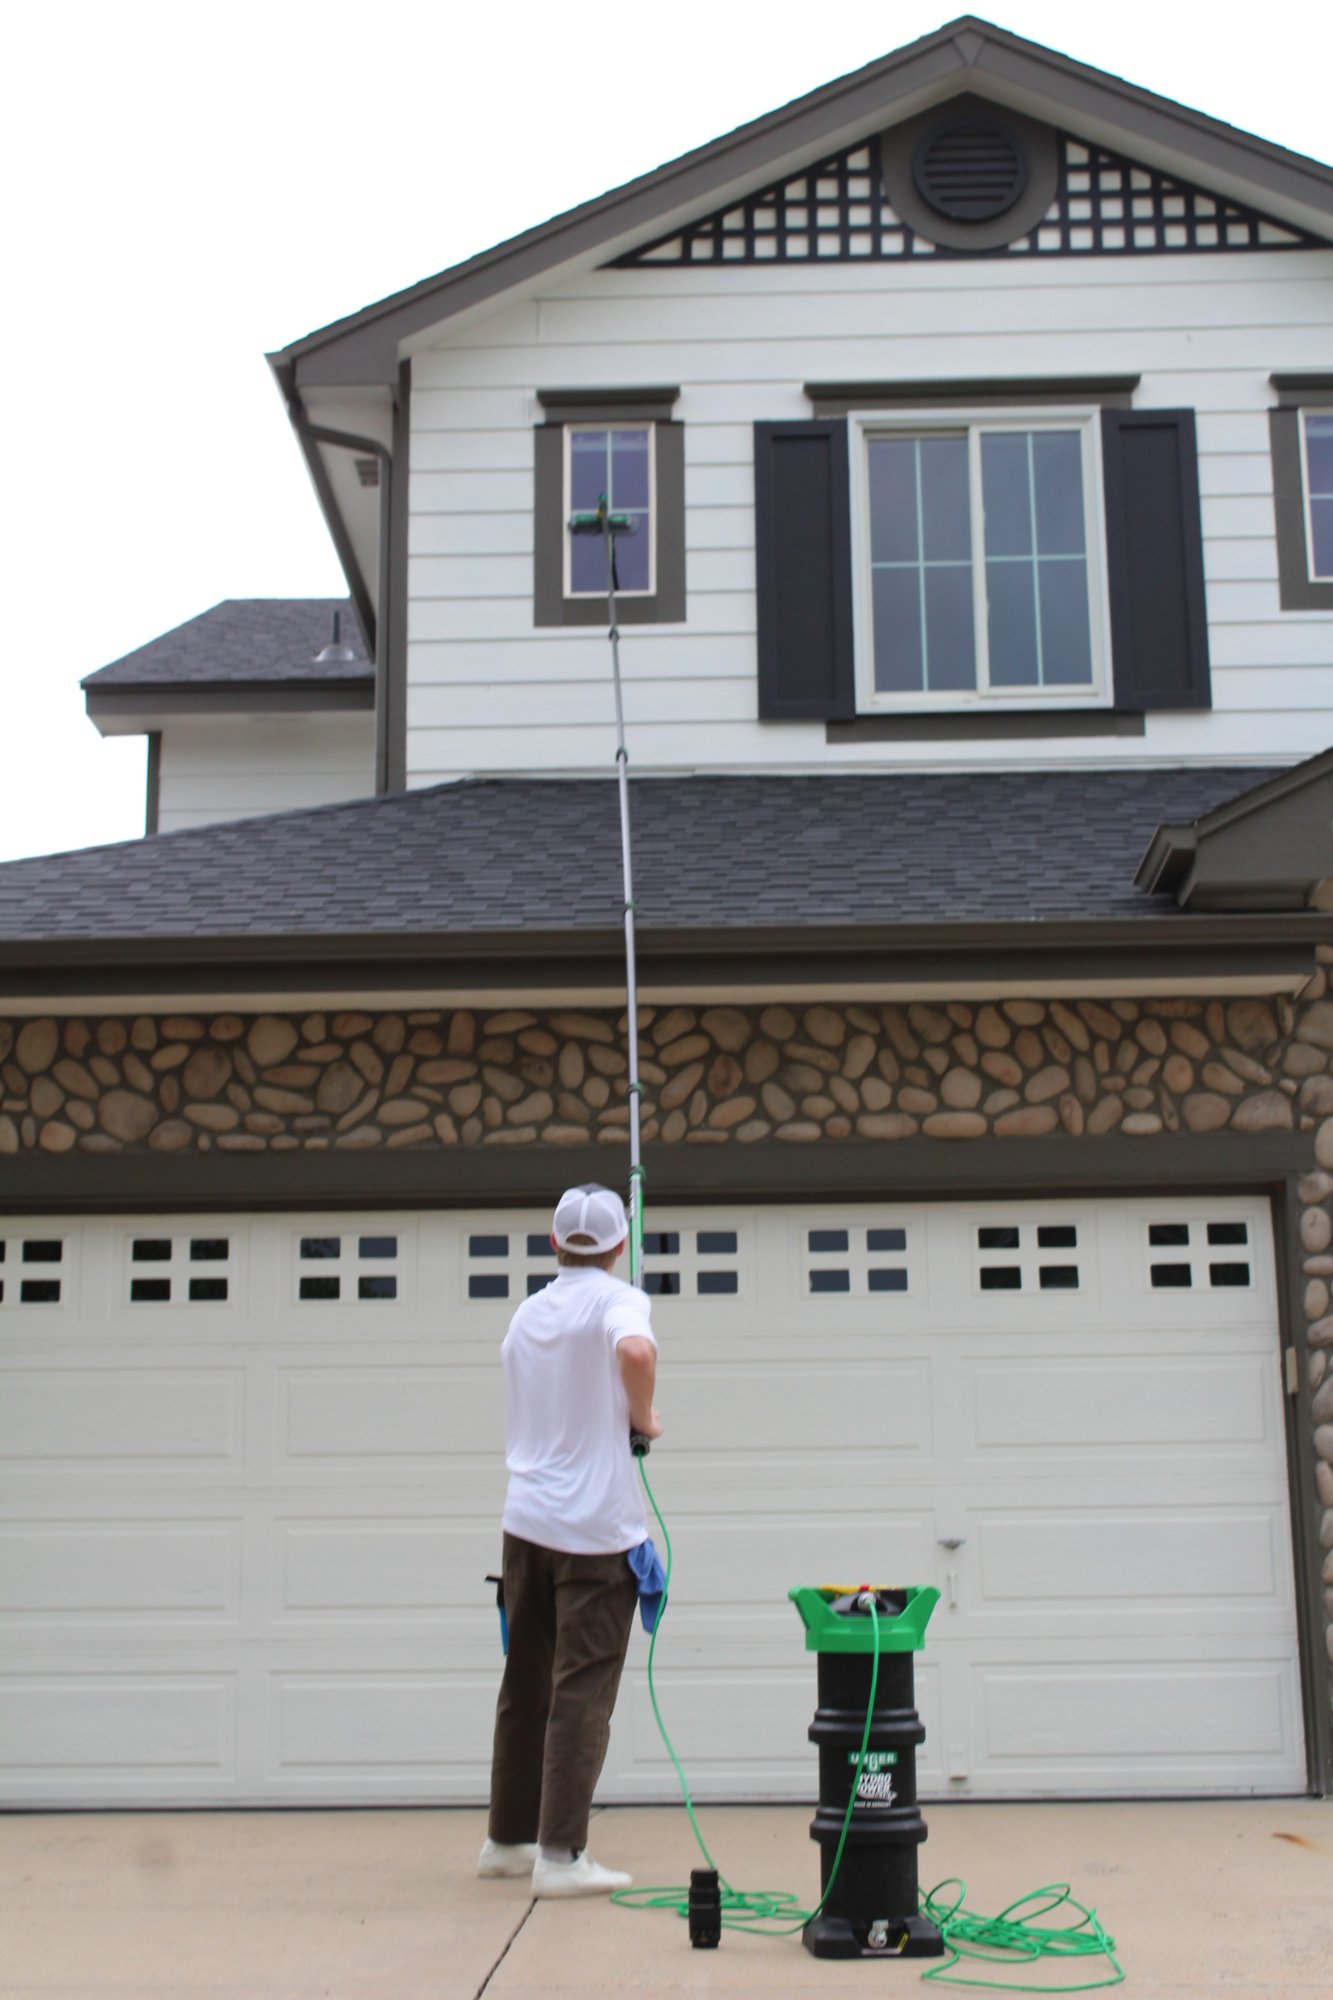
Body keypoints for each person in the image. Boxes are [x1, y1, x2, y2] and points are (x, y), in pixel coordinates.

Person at [477, 1182, 663, 1898]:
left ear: (555, 1243)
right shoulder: (619, 1300)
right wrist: (642, 1417)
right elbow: (637, 1354)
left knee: (524, 1684)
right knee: (582, 1691)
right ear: (618, 1246)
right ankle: (561, 1856)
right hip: (594, 1533)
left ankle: (507, 1840)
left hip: (525, 1524)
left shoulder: (528, 1313)